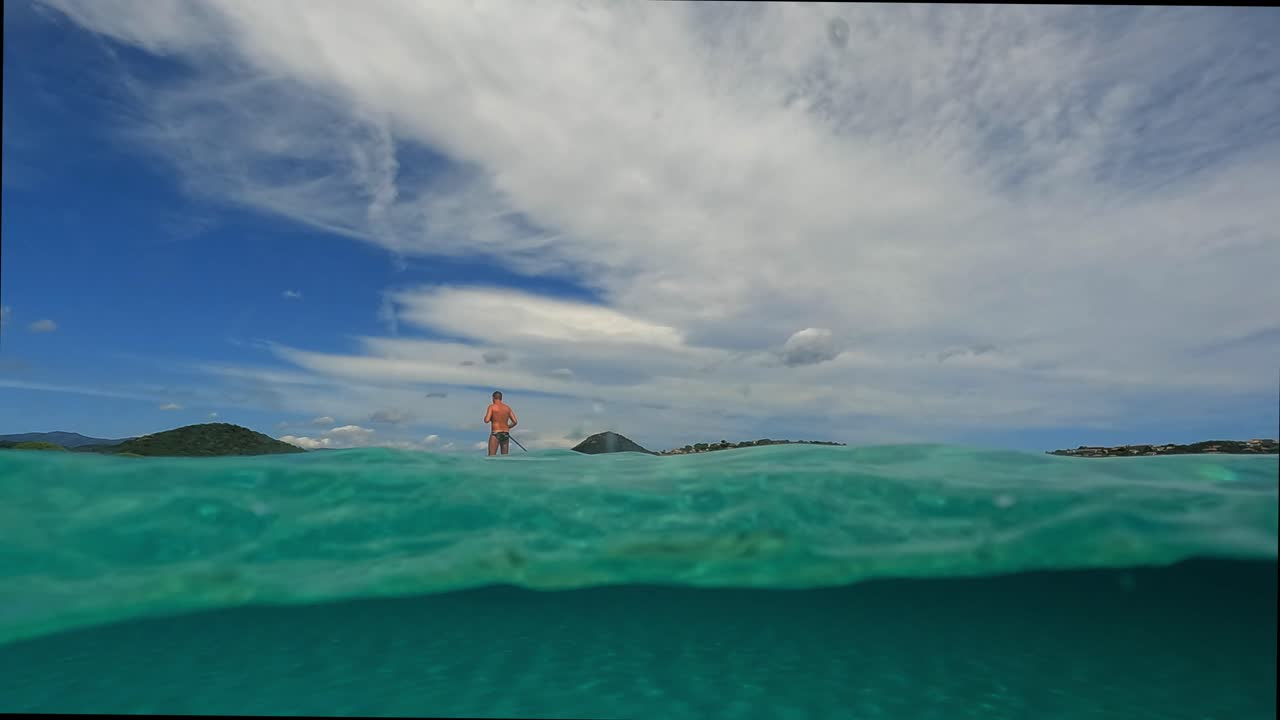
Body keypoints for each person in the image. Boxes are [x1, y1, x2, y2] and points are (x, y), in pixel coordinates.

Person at [484, 390, 518, 456]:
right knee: (505, 457)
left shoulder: (491, 407)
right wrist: (507, 427)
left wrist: (486, 417)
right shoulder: (507, 408)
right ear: (501, 398)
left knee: (491, 456)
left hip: (496, 433)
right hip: (505, 433)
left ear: (493, 398)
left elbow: (486, 420)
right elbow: (515, 422)